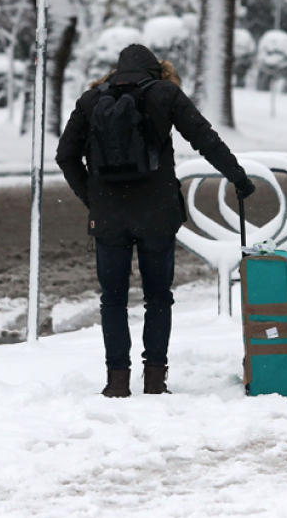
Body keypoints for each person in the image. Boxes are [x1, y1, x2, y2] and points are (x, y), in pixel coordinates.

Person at [57, 44, 254, 398]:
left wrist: (94, 199)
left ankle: (117, 381)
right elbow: (204, 139)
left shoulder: (91, 101)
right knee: (158, 298)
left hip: (110, 217)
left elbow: (65, 155)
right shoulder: (165, 94)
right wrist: (237, 176)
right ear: (156, 70)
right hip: (156, 214)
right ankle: (154, 379)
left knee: (113, 301)